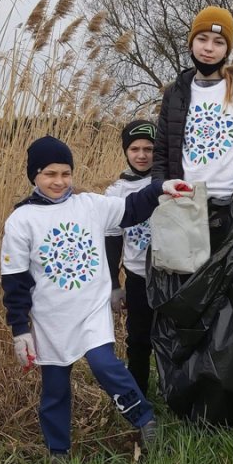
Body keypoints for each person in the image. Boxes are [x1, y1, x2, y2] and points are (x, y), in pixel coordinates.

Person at [0, 135, 189, 460]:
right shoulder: (21, 221)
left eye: (65, 173)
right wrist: (20, 330)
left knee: (106, 366)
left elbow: (131, 208)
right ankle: (58, 453)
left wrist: (160, 188)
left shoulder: (90, 205)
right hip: (51, 320)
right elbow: (15, 281)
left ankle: (145, 421)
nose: (59, 182)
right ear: (35, 175)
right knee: (55, 389)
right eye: (50, 174)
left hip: (91, 312)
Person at [149, 5, 233, 425]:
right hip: (186, 212)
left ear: (229, 46)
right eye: (203, 39)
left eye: (219, 41)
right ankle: (190, 402)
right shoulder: (175, 93)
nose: (209, 48)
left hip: (232, 212)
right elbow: (162, 157)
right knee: (190, 309)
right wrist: (162, 186)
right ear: (191, 42)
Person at [104, 119, 158, 397]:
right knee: (138, 340)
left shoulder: (169, 180)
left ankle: (179, 392)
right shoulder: (116, 192)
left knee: (177, 338)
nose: (141, 155)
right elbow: (112, 241)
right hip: (138, 278)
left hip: (175, 275)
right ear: (126, 151)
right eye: (134, 148)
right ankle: (140, 399)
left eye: (149, 148)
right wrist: (114, 284)